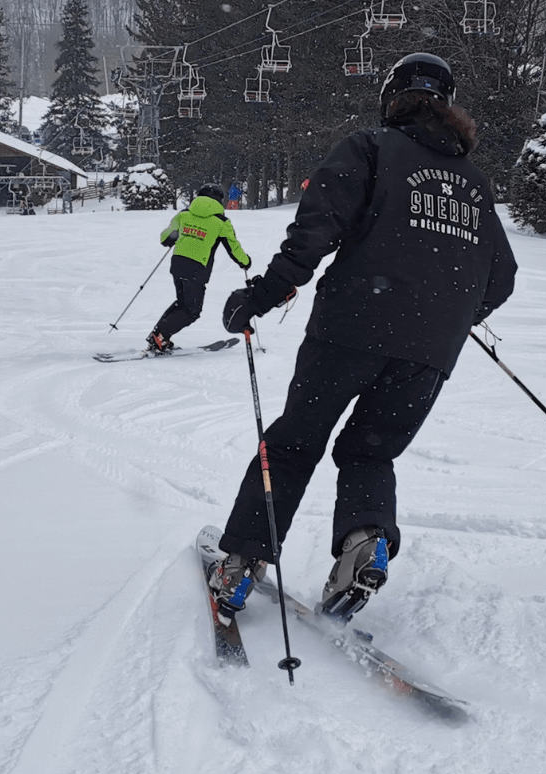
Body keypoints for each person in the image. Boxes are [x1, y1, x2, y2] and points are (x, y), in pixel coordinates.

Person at [208, 53, 517, 621]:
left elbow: (313, 235)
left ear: (391, 98)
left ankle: (241, 561)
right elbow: (501, 277)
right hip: (430, 351)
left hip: (352, 326)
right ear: (447, 105)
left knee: (296, 441)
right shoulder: (474, 184)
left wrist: (258, 298)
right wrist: (450, 313)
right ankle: (365, 541)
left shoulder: (370, 148)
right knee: (370, 452)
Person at [147, 184, 251, 354]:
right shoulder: (221, 222)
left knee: (183, 304)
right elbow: (234, 248)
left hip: (177, 264)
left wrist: (183, 233)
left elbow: (165, 238)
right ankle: (160, 336)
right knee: (191, 311)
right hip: (196, 269)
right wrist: (245, 262)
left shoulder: (184, 215)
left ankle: (159, 336)